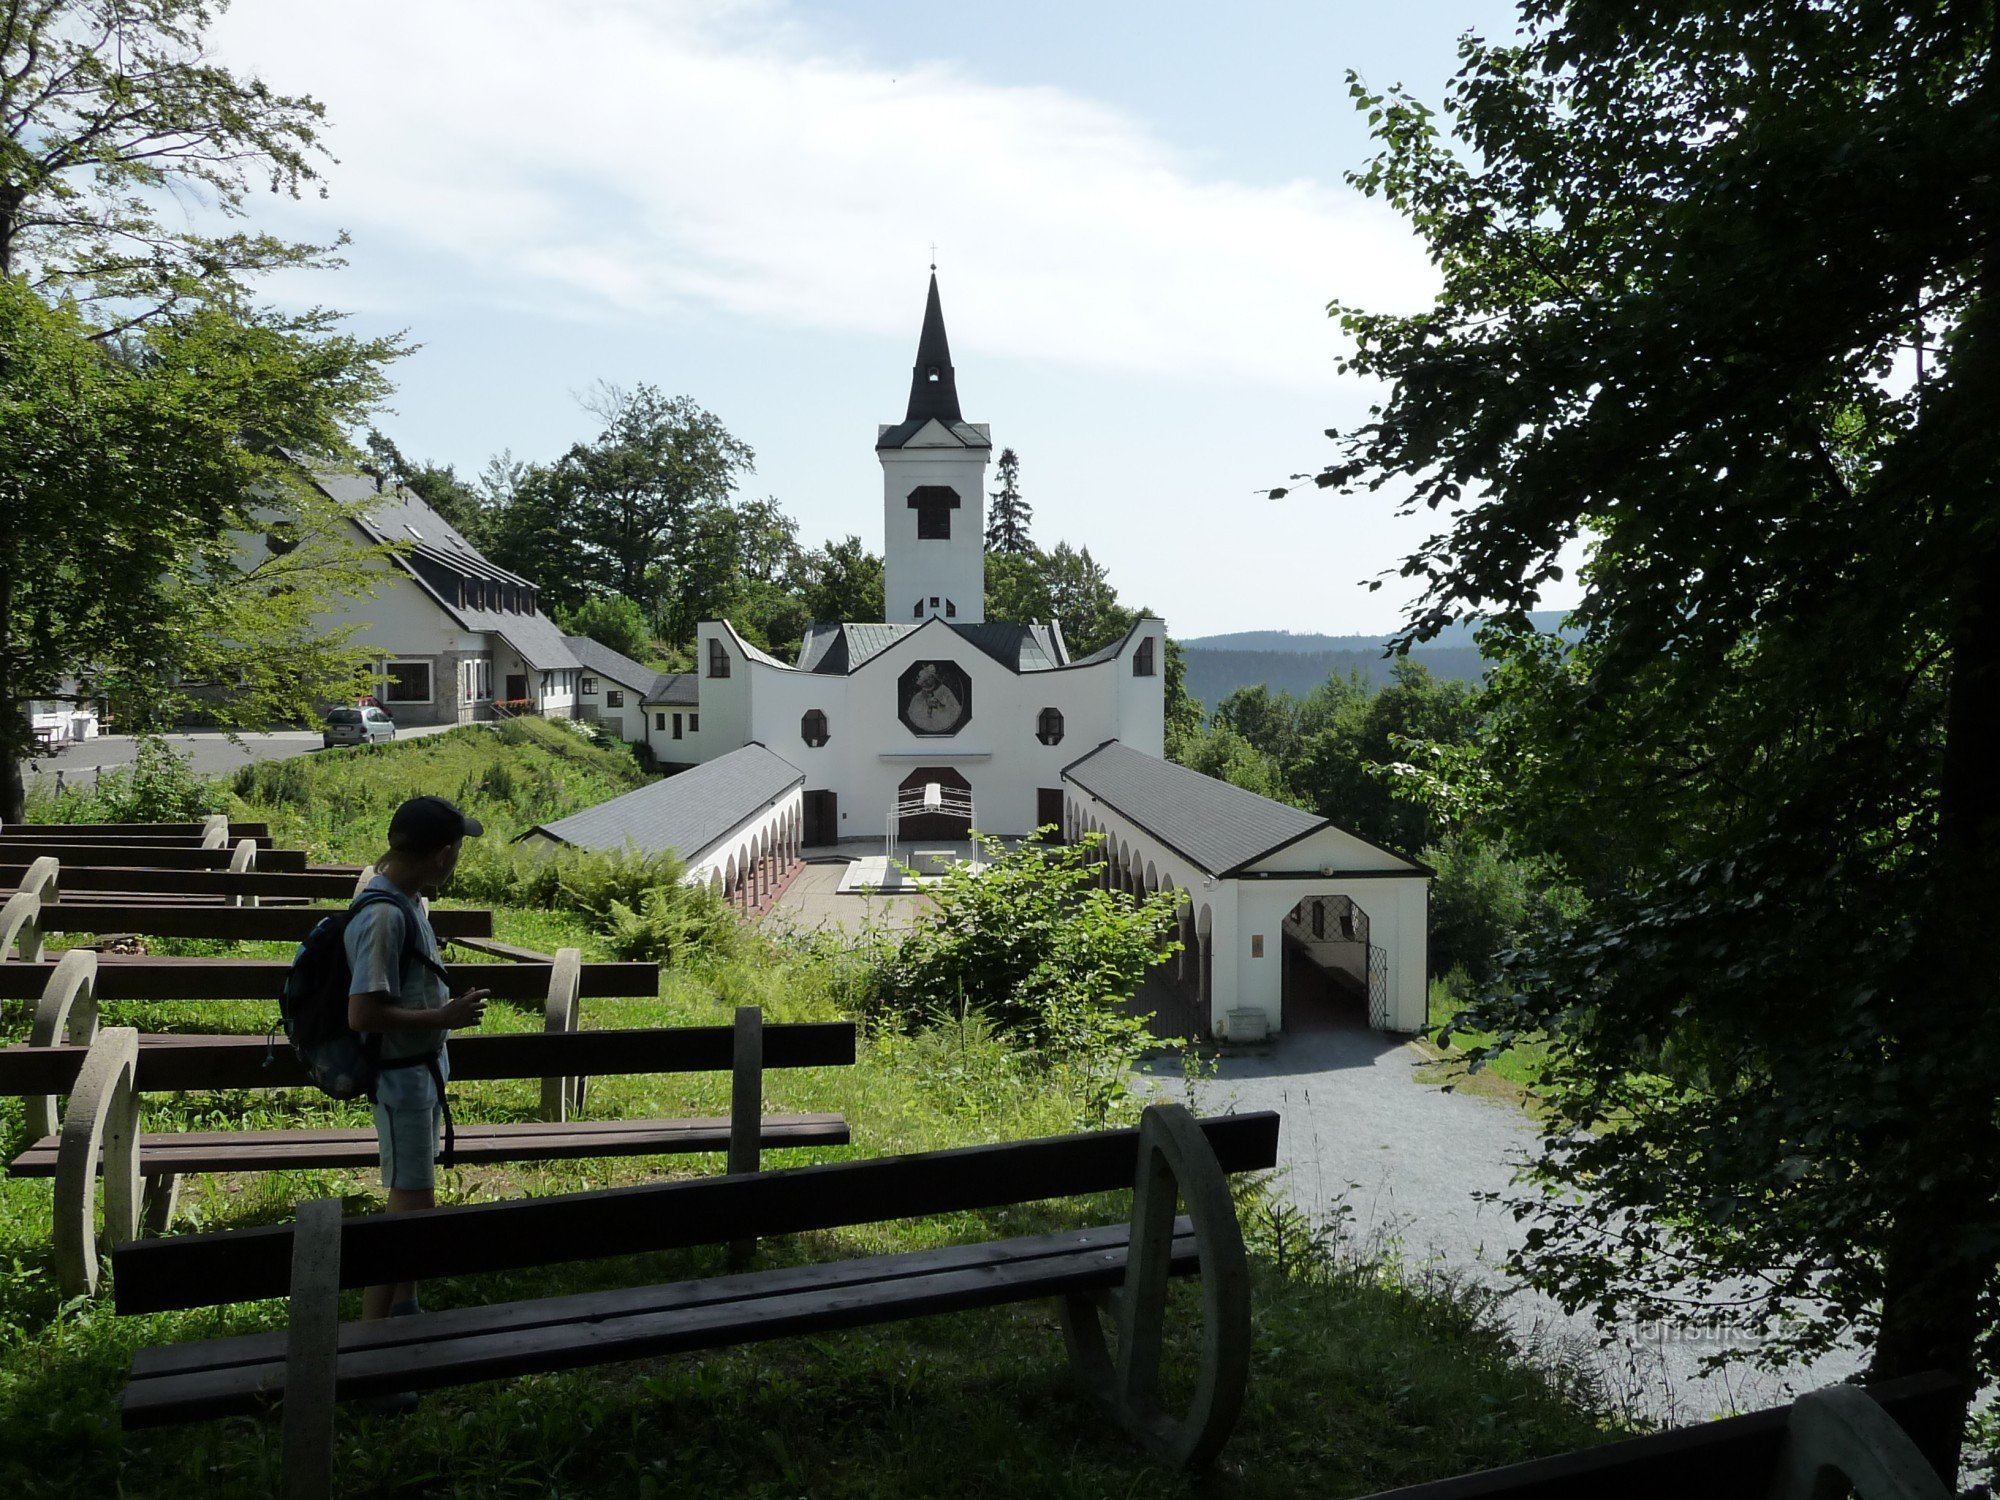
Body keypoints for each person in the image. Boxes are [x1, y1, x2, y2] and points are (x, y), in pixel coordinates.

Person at [346, 794, 490, 1324]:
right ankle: (369, 1339)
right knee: (406, 1212)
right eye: (457, 849)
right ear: (441, 855)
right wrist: (442, 1018)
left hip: (421, 1077)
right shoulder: (384, 915)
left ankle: (404, 1306)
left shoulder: (408, 902)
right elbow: (361, 1014)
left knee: (417, 1202)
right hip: (401, 1083)